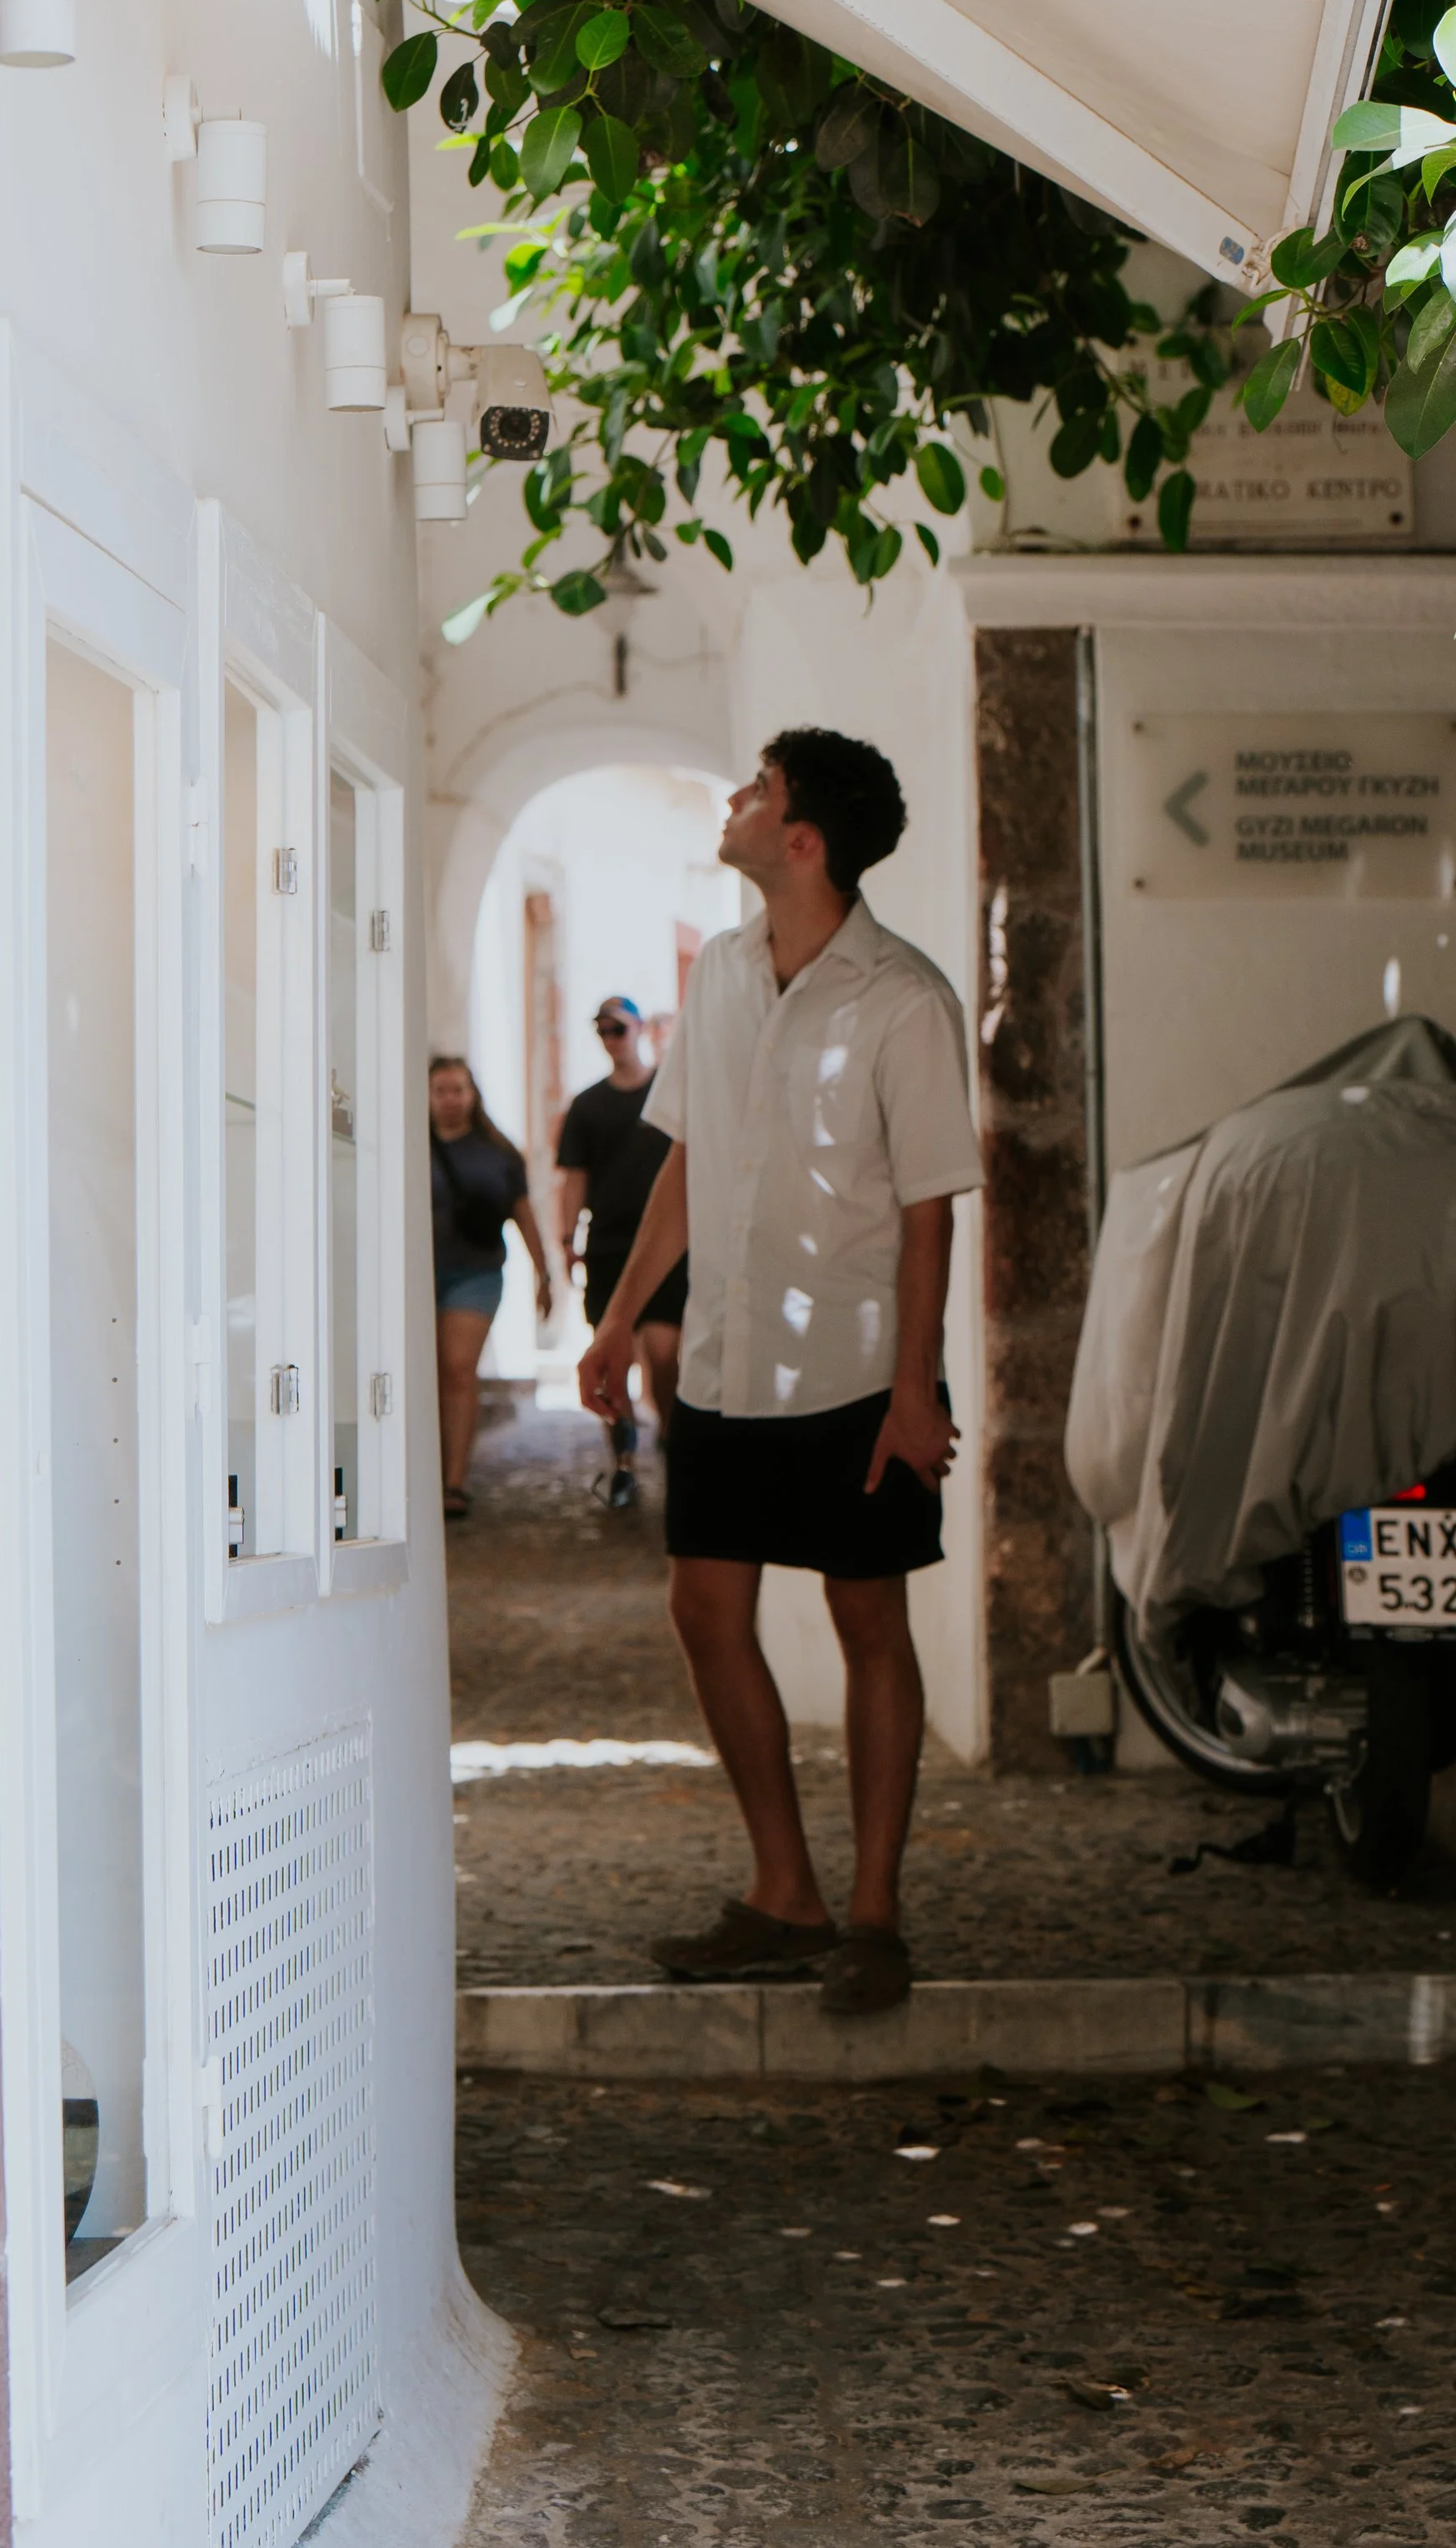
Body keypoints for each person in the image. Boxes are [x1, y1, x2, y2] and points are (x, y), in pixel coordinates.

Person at [579, 727, 983, 2017]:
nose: (736, 799)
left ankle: (874, 1916)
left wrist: (916, 1388)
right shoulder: (720, 974)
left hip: (859, 1373)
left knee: (870, 1623)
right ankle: (785, 1891)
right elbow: (690, 1160)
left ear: (802, 839)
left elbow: (930, 1206)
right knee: (706, 1610)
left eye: (759, 788)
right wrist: (618, 1318)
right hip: (723, 1363)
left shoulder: (905, 1000)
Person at [557, 997, 686, 1511]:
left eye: (618, 1028)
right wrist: (567, 1240)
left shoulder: (668, 1094)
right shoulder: (586, 1106)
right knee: (614, 1361)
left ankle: (672, 1439)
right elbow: (574, 1176)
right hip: (608, 1246)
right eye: (603, 1031)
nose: (611, 1039)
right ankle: (624, 1462)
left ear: (640, 1030)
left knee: (664, 1353)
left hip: (668, 1247)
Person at [430, 1054, 553, 1518]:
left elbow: (524, 1216)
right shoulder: (408, 1144)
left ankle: (454, 1480)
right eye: (441, 1090)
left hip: (475, 1275)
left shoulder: (499, 1153)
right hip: (418, 1280)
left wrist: (544, 1274)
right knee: (427, 1374)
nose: (450, 1099)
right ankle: (427, 1471)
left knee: (459, 1369)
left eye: (458, 1090)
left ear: (473, 1095)